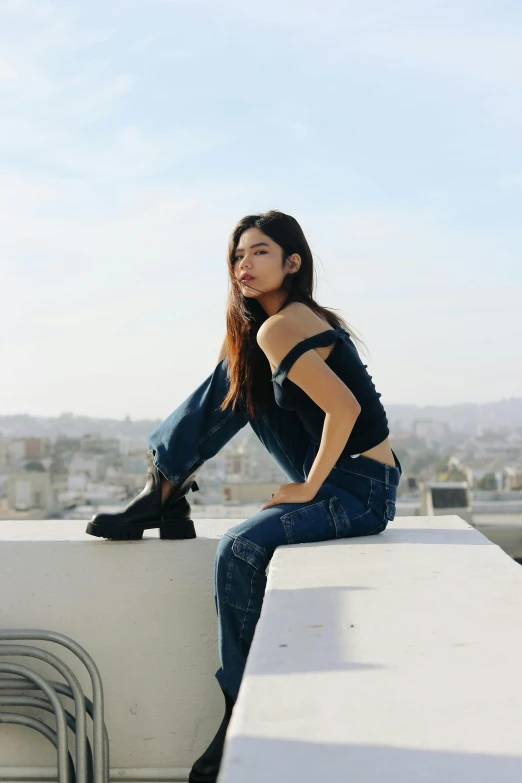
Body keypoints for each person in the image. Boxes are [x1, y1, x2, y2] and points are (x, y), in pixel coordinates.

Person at [86, 209, 402, 783]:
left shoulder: (285, 324)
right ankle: (165, 487)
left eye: (259, 252)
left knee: (237, 548)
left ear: (292, 262)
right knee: (240, 369)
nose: (244, 266)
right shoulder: (273, 327)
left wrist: (309, 488)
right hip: (344, 472)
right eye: (237, 255)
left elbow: (348, 410)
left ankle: (239, 711)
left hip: (360, 488)